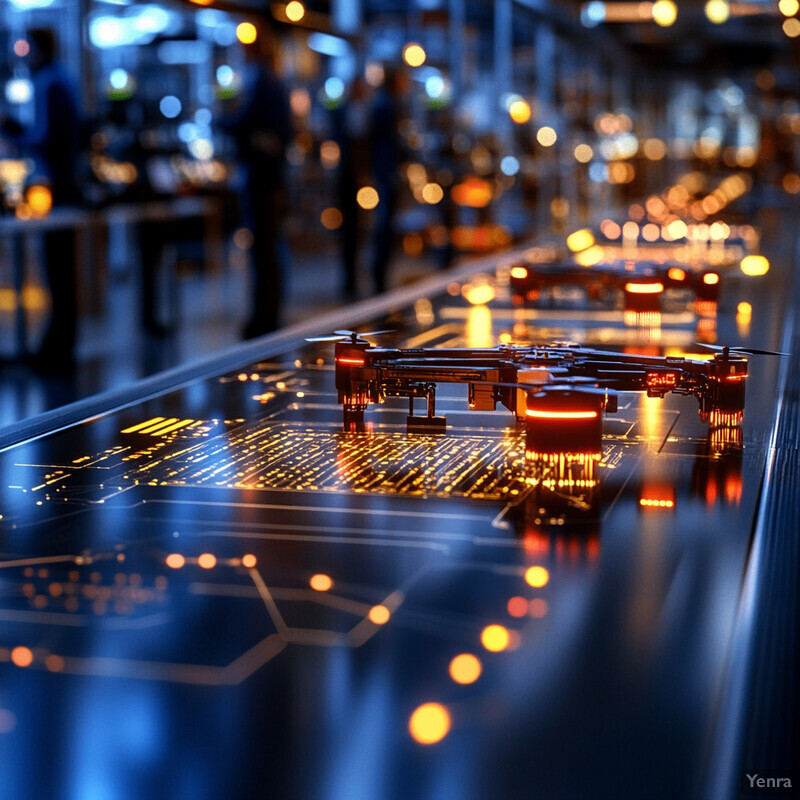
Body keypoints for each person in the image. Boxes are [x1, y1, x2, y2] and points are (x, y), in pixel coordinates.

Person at [2, 28, 81, 368]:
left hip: (56, 184)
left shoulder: (50, 82)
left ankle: (57, 346)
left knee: (58, 267)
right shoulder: (62, 79)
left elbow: (46, 137)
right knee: (61, 267)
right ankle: (58, 341)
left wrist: (14, 131)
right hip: (64, 181)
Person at [221, 27, 292, 337]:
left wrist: (223, 120)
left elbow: (246, 122)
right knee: (268, 249)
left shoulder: (262, 83)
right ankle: (268, 314)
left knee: (263, 250)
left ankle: (265, 317)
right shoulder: (271, 82)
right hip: (269, 178)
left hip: (263, 179)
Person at [369, 66, 407, 295]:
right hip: (386, 172)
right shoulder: (388, 106)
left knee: (385, 223)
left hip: (384, 171)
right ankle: (379, 274)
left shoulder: (383, 104)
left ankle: (380, 273)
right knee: (385, 224)